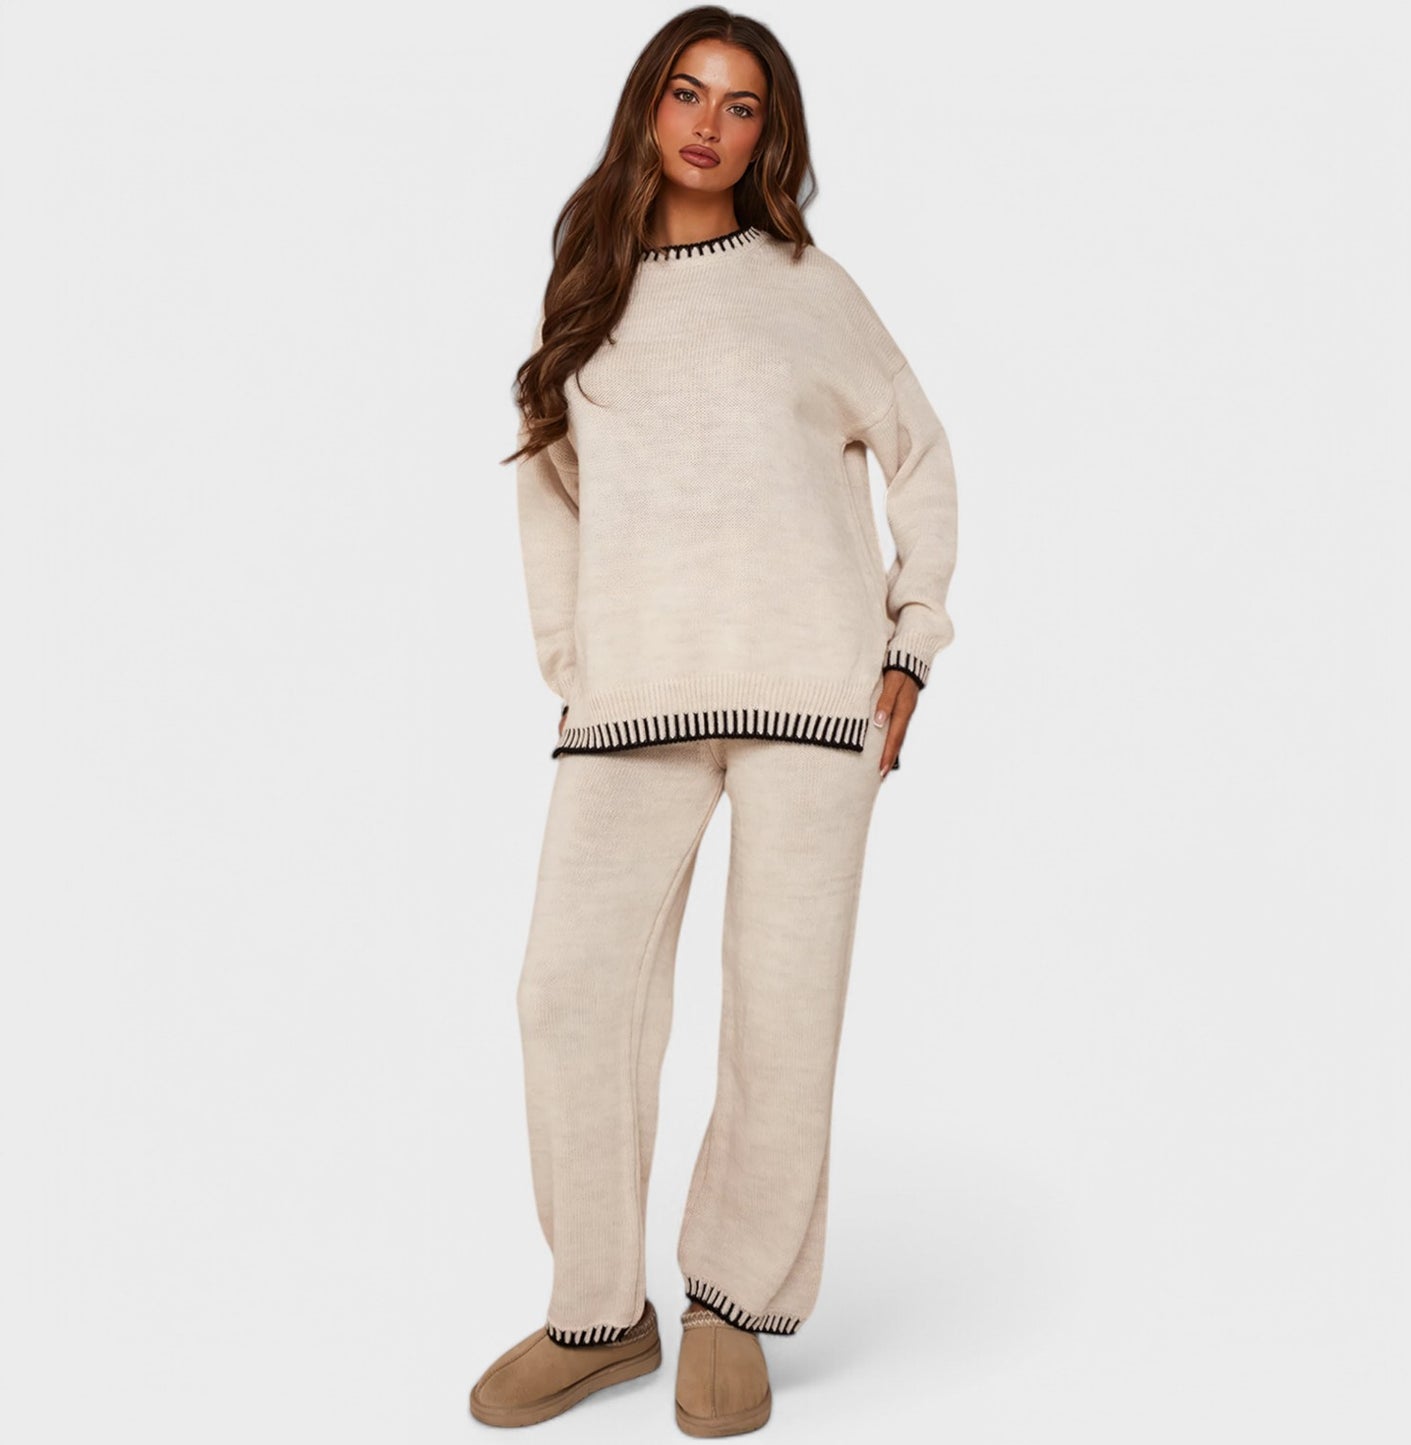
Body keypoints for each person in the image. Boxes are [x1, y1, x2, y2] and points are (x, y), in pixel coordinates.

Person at [470, 6, 958, 1436]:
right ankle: (596, 1310)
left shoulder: (811, 288)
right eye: (687, 93)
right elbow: (548, 493)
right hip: (633, 696)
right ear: (647, 107)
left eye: (741, 106)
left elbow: (922, 457)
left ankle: (730, 1303)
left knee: (780, 1003)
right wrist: (578, 665)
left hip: (811, 692)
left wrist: (912, 641)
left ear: (768, 136)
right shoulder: (588, 295)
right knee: (567, 992)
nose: (708, 124)